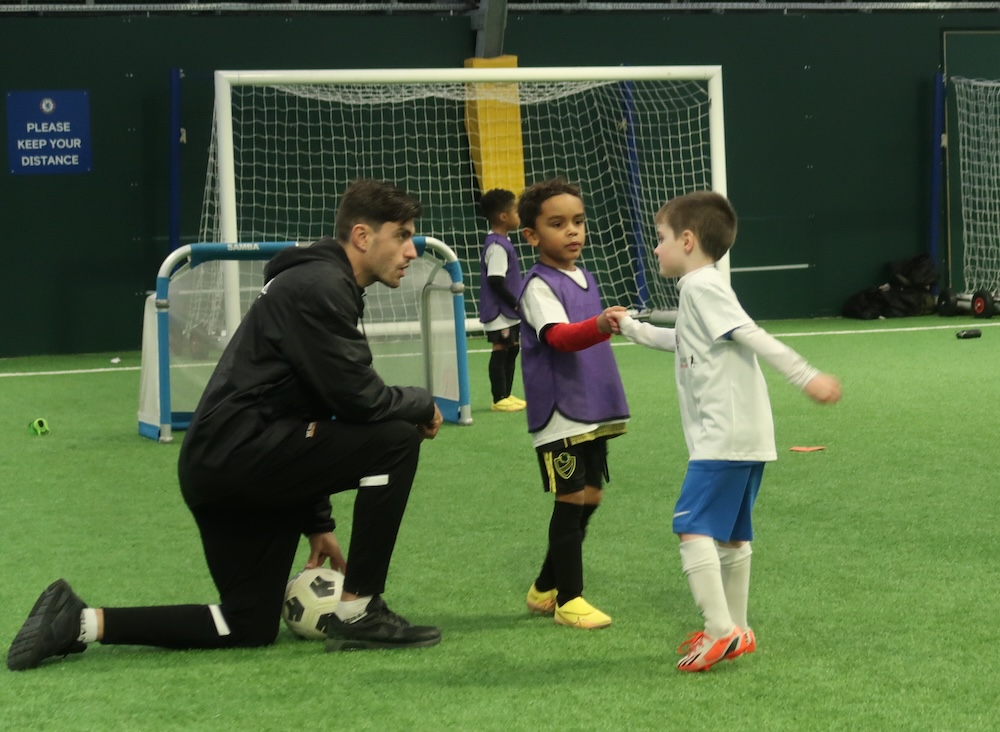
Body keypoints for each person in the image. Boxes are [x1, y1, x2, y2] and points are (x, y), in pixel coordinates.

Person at [7, 179, 446, 672]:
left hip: (222, 467)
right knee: (393, 438)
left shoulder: (316, 283)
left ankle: (80, 622)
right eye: (402, 235)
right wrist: (422, 403)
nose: (412, 250)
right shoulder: (321, 287)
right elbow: (359, 400)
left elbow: (313, 405)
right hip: (244, 456)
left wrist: (317, 523)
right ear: (363, 236)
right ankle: (360, 610)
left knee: (247, 624)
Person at [607, 190, 841, 671]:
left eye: (661, 238)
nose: (656, 249)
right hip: (744, 437)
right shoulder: (702, 289)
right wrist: (631, 327)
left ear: (688, 240)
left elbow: (750, 333)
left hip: (724, 437)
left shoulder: (700, 287)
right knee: (732, 537)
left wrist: (806, 375)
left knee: (690, 527)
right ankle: (738, 629)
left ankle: (720, 631)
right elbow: (684, 340)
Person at [516, 178, 630, 630]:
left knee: (591, 495)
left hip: (593, 409)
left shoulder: (587, 276)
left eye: (578, 222)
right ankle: (569, 599)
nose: (572, 232)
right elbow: (559, 338)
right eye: (558, 224)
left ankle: (544, 587)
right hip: (559, 414)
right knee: (569, 499)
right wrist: (601, 324)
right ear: (532, 235)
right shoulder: (536, 286)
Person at [477, 188, 526, 413]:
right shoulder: (496, 245)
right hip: (500, 309)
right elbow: (496, 280)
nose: (519, 215)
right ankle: (498, 398)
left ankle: (507, 394)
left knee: (512, 348)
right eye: (516, 210)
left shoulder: (504, 241)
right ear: (503, 216)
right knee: (501, 348)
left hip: (508, 309)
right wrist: (514, 301)